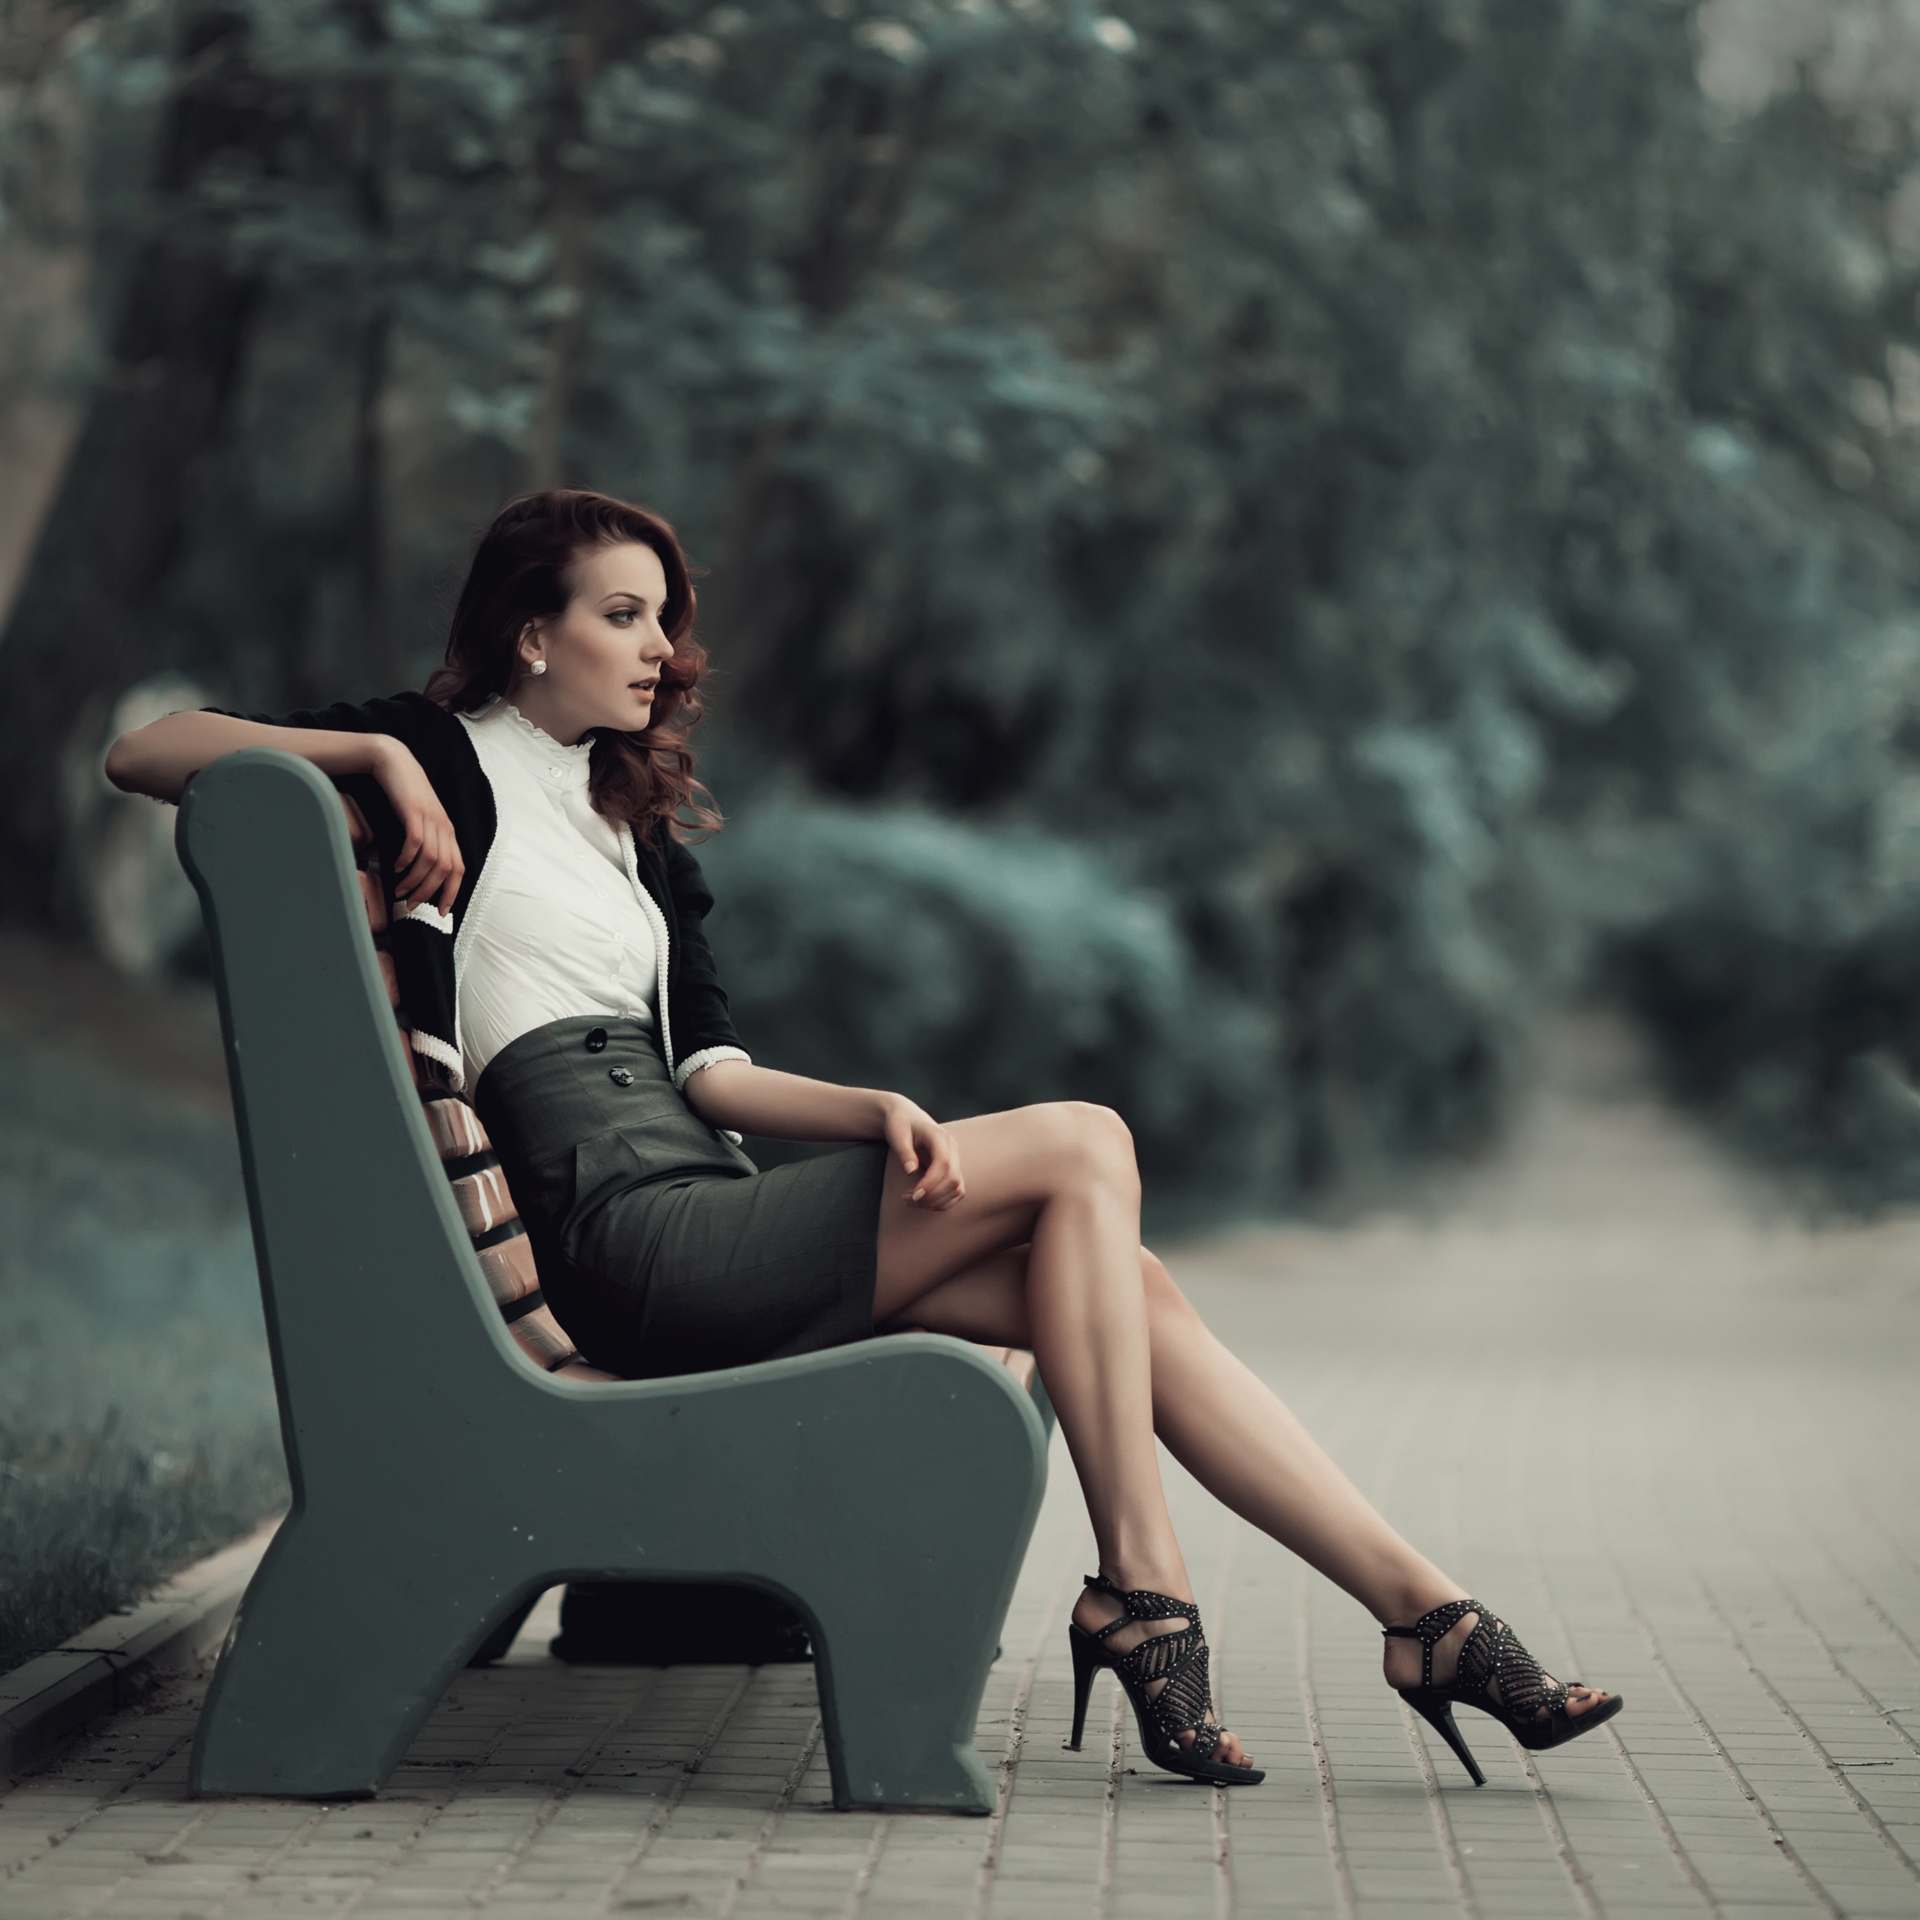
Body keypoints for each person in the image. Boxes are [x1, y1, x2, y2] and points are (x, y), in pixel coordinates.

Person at [107, 488, 1620, 1789]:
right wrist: (364, 760)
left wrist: (869, 1112)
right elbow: (153, 748)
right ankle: (1148, 1595)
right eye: (626, 615)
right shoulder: (441, 754)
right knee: (1086, 1142)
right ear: (530, 632)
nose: (660, 648)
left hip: (696, 1191)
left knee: (1122, 1293)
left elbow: (706, 1070)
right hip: (622, 1240)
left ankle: (1422, 1616)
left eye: (666, 620)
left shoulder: (625, 829)